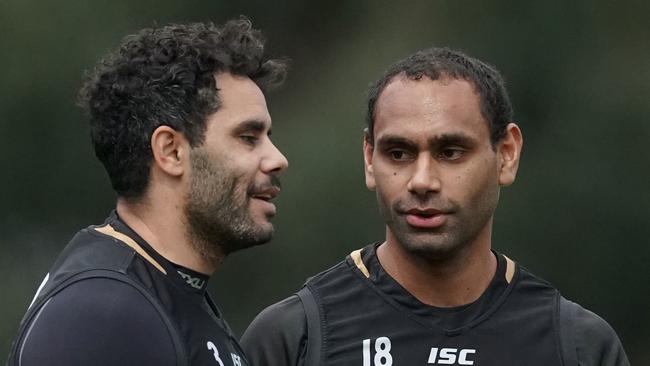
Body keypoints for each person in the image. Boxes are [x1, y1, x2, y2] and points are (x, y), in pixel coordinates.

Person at [241, 48, 629, 366]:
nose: (422, 180)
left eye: (451, 152)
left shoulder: (578, 346)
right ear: (369, 158)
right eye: (398, 153)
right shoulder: (294, 338)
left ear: (506, 155)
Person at [7, 18, 288, 366]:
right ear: (171, 151)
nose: (277, 160)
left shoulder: (167, 294)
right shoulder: (102, 314)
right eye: (248, 137)